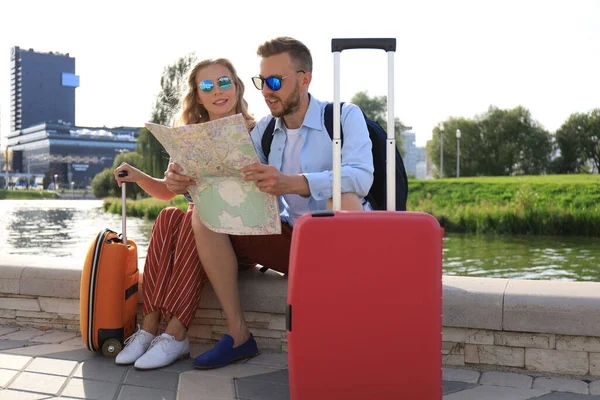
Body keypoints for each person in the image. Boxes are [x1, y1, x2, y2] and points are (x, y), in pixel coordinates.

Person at [163, 36, 374, 370]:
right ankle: (239, 336)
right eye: (262, 82)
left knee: (343, 196)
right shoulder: (263, 131)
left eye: (275, 82)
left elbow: (361, 176)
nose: (266, 91)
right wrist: (185, 182)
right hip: (292, 239)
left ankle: (348, 330)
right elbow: (233, 187)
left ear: (304, 79)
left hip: (343, 248)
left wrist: (294, 183)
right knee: (203, 217)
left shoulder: (344, 116)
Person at [112, 57, 256, 370]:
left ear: (236, 86)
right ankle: (149, 328)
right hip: (203, 231)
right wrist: (140, 176)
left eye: (224, 82)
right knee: (168, 216)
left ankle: (177, 333)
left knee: (198, 214)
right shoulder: (189, 140)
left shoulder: (257, 132)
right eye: (207, 85)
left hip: (241, 236)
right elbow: (169, 191)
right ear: (198, 96)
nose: (217, 90)